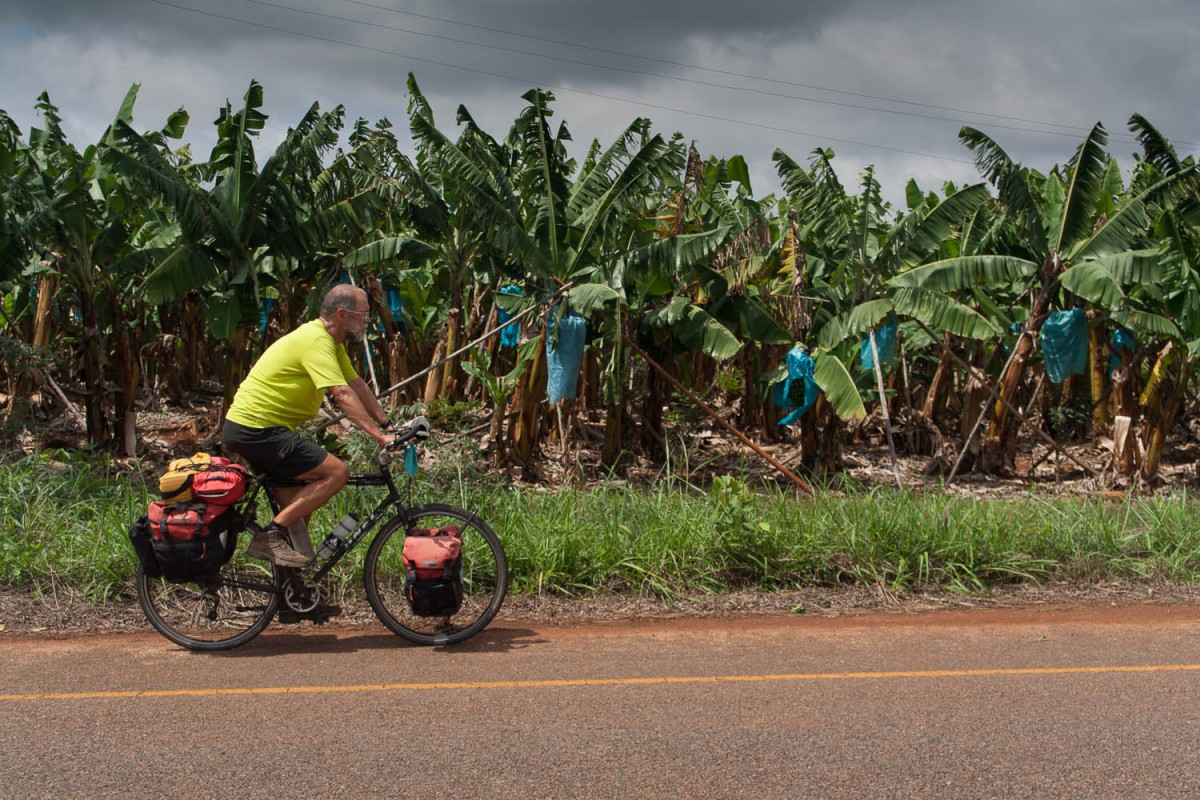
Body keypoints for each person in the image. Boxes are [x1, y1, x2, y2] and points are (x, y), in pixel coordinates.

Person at [222, 284, 394, 567]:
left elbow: (356, 384)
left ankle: (296, 597)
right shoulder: (315, 340)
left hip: (261, 430)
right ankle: (268, 536)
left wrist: (388, 424)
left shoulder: (331, 342)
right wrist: (379, 437)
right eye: (363, 314)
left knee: (297, 517)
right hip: (257, 429)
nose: (367, 321)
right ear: (342, 314)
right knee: (337, 473)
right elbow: (341, 394)